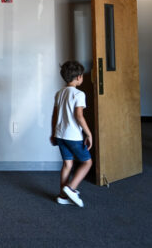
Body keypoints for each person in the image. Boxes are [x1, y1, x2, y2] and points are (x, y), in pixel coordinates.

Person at [50, 61, 93, 208]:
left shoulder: (59, 93)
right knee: (87, 162)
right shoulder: (79, 94)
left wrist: (53, 133)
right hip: (73, 136)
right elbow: (79, 116)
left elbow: (54, 116)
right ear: (79, 77)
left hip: (60, 135)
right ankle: (71, 188)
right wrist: (88, 133)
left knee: (67, 164)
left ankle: (62, 195)